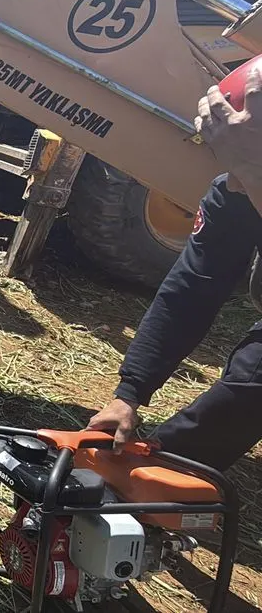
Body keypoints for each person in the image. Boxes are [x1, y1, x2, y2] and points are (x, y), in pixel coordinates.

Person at [87, 67, 262, 471]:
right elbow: (192, 290)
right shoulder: (235, 190)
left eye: (248, 163)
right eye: (228, 159)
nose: (234, 180)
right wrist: (129, 393)